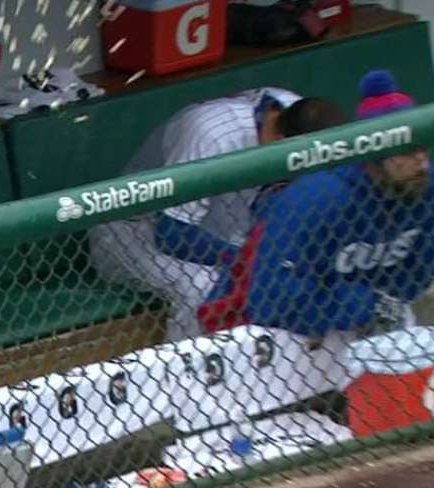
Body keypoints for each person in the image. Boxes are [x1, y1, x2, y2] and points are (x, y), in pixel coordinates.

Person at [87, 87, 345, 340]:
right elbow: (171, 234)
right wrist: (247, 261)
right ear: (280, 140)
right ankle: (186, 380)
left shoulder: (305, 120)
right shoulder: (212, 134)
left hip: (224, 234)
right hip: (135, 231)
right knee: (202, 286)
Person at [245, 70, 434, 340]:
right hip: (293, 339)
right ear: (376, 156)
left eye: (422, 148)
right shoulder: (317, 198)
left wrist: (380, 304)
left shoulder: (418, 189)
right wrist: (362, 305)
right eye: (408, 151)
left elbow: (414, 279)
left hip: (377, 327)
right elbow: (268, 300)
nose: (421, 162)